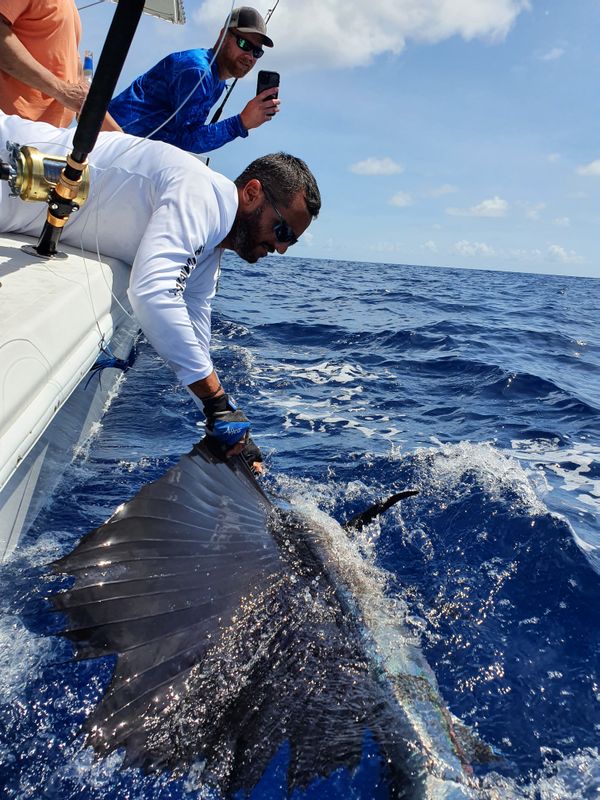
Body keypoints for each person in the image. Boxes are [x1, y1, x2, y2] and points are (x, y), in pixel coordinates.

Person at [0, 111, 320, 468]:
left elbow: (195, 331)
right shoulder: (202, 193)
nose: (281, 249)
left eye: (291, 241)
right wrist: (214, 403)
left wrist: (230, 422)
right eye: (283, 232)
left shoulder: (211, 247)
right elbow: (153, 292)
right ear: (251, 193)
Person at [109, 6, 279, 154]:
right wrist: (241, 123)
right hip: (110, 145)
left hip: (127, 148)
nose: (249, 56)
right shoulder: (199, 72)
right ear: (223, 35)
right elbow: (187, 140)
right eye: (244, 44)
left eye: (257, 52)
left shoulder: (216, 81)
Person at [0, 0, 120, 130]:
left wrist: (123, 139)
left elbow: (79, 89)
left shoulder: (69, 6)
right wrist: (62, 91)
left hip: (43, 138)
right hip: (10, 128)